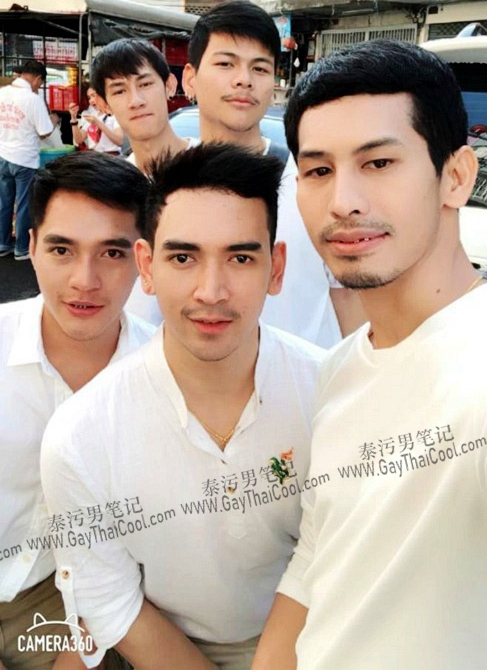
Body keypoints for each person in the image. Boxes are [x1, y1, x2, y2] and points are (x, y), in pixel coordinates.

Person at [252, 39, 487, 670]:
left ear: (456, 176)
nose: (343, 201)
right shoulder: (339, 368)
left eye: (379, 162)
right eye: (318, 171)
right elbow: (319, 558)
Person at [40, 143, 326, 670]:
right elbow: (109, 599)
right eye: (183, 258)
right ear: (147, 266)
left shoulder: (331, 393)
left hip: (315, 636)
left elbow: (327, 554)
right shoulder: (81, 435)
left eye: (240, 258)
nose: (211, 291)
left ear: (276, 268)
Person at [0, 152, 155, 669]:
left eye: (111, 253)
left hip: (70, 605)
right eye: (62, 249)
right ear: (30, 246)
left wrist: (81, 651)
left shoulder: (165, 381)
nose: (84, 280)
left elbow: (143, 552)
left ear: (144, 260)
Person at [182, 0, 365, 345]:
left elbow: (349, 298)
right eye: (225, 64)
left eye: (260, 68)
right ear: (190, 77)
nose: (244, 80)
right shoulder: (168, 189)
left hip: (312, 377)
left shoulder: (318, 185)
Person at [91, 40, 190, 172]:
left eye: (145, 84)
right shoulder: (116, 181)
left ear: (169, 86)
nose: (136, 101)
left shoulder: (211, 164)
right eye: (119, 91)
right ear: (104, 104)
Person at [0, 59, 54, 260]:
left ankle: (3, 243)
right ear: (38, 79)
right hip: (24, 159)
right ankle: (21, 248)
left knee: (4, 202)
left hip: (2, 156)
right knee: (24, 204)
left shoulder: (2, 93)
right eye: (40, 83)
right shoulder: (33, 99)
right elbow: (45, 131)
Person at [68, 88, 123, 155]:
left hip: (110, 157)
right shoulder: (92, 116)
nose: (91, 101)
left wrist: (98, 123)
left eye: (93, 96)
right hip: (95, 156)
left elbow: (119, 141)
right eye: (89, 98)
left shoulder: (114, 115)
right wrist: (73, 119)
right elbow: (79, 140)